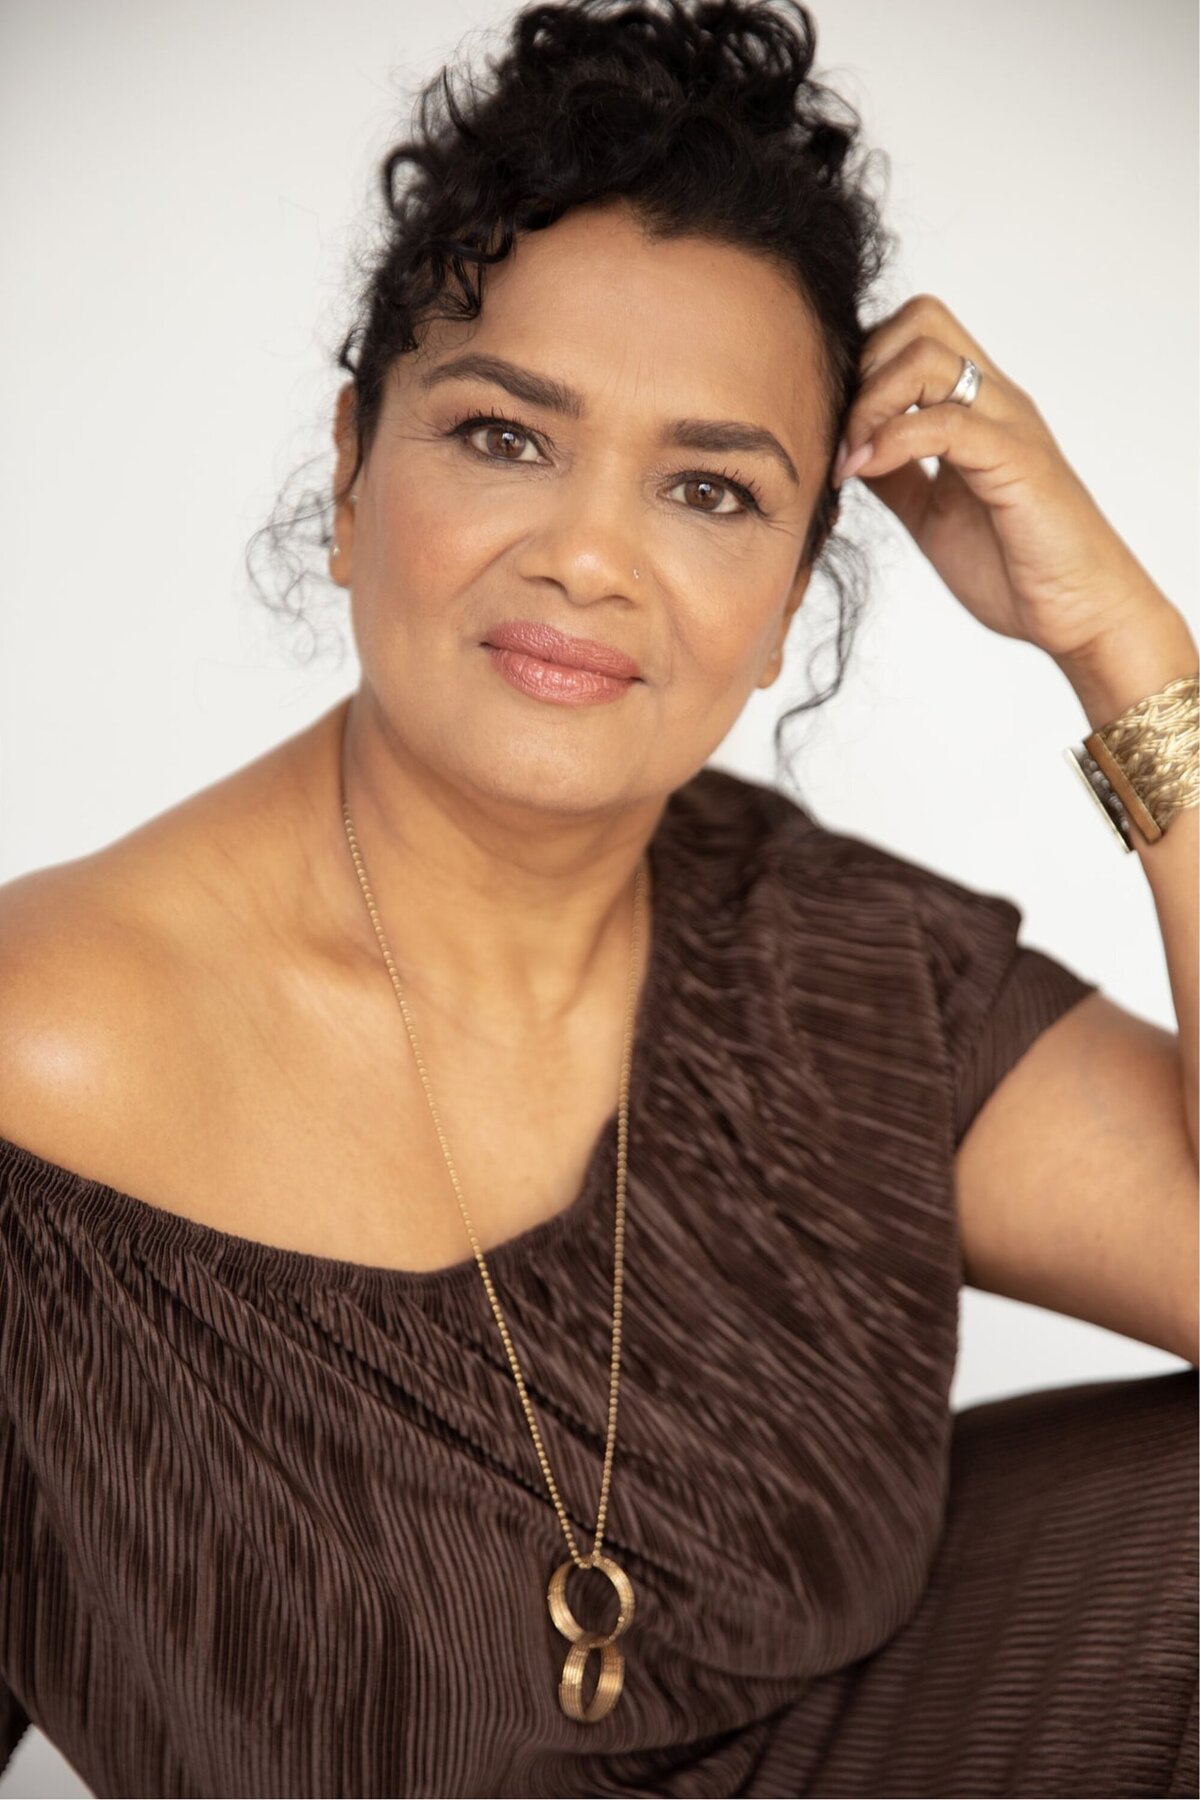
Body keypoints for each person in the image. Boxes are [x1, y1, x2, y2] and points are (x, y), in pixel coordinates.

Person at [0, 0, 1196, 1794]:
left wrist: (1127, 646)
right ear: (350, 473)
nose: (587, 555)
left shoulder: (831, 964)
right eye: (505, 438)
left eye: (710, 489)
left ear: (791, 599)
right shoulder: (39, 1059)